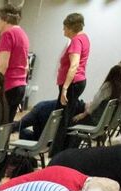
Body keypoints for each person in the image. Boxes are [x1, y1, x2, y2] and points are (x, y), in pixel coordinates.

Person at [52, 12, 90, 154]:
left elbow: (74, 65)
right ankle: (61, 150)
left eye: (65, 27)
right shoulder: (84, 38)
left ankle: (59, 152)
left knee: (63, 119)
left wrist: (65, 89)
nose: (63, 31)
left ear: (71, 27)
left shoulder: (76, 40)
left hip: (73, 83)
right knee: (64, 116)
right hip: (78, 81)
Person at [0, 5, 29, 121]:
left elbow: (2, 65)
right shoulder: (23, 34)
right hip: (19, 86)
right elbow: (26, 65)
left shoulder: (8, 35)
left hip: (8, 86)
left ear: (4, 20)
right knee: (6, 124)